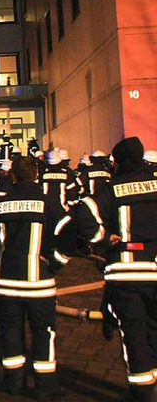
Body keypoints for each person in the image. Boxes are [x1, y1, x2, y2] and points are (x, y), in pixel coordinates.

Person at [76, 137, 157, 402]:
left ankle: (142, 391)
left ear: (118, 161)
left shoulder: (112, 189)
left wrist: (102, 237)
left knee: (133, 332)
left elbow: (86, 211)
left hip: (125, 272)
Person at [0, 156, 63, 400]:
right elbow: (70, 231)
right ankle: (45, 388)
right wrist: (56, 262)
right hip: (39, 284)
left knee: (10, 333)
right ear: (36, 175)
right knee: (43, 333)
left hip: (7, 283)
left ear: (13, 175)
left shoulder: (0, 202)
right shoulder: (47, 202)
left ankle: (13, 384)